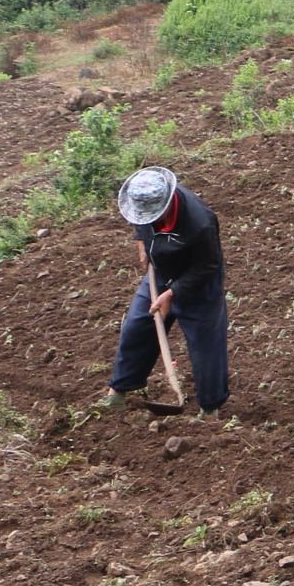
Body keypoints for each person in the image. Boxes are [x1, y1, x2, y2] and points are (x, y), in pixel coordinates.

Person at [98, 166, 232, 417]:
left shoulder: (199, 222)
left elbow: (208, 264)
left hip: (198, 282)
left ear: (168, 202)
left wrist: (173, 294)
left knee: (205, 346)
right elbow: (141, 223)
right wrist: (141, 242)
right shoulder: (142, 200)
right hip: (159, 273)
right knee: (136, 328)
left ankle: (210, 408)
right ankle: (118, 391)